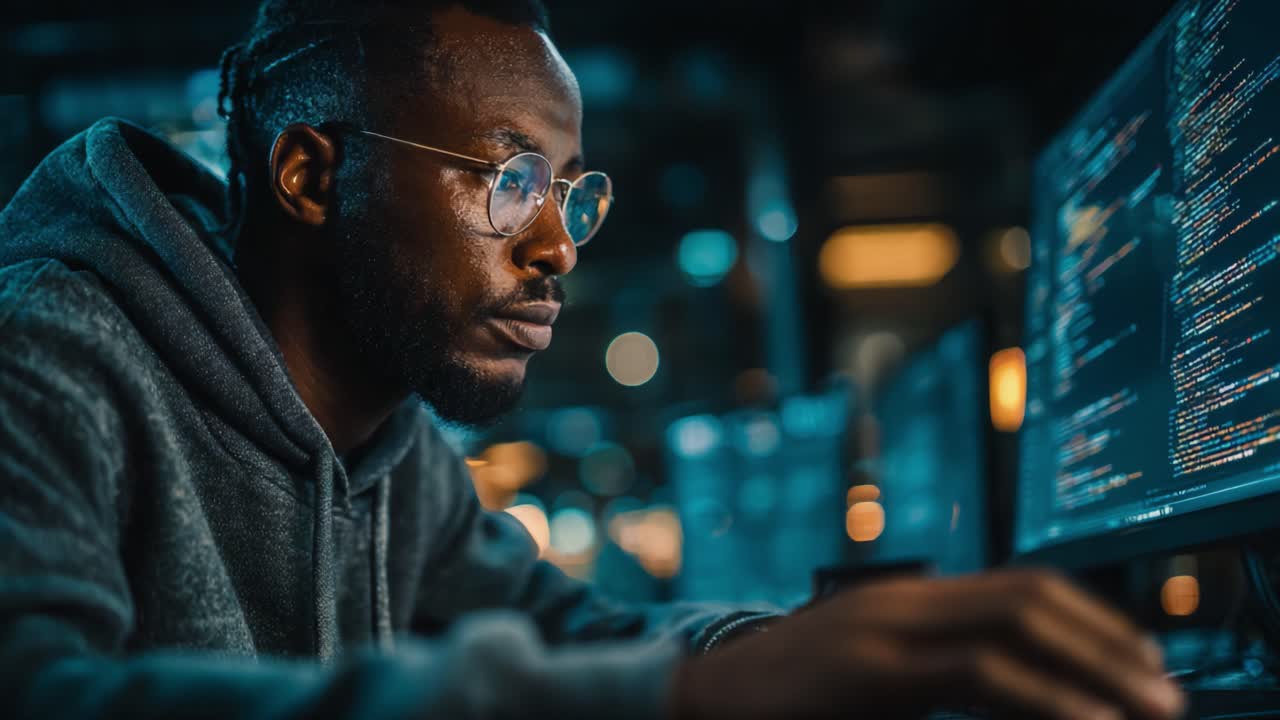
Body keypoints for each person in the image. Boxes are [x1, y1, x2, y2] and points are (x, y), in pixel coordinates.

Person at [0, 1, 1185, 718]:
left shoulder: (387, 448)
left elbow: (576, 637)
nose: (559, 244)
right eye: (508, 177)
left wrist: (792, 654)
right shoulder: (48, 361)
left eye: (569, 190)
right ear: (311, 175)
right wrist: (678, 701)